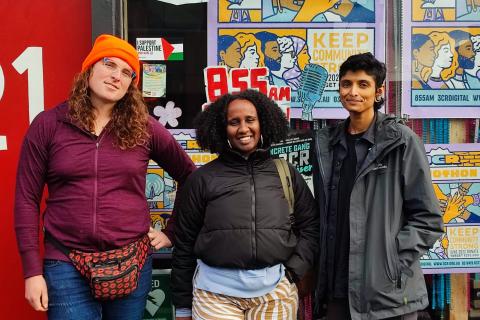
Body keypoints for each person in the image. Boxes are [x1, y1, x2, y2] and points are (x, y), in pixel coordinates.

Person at [14, 34, 196, 320]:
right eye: (109, 65)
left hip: (131, 262)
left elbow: (189, 175)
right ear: (89, 69)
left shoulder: (144, 128)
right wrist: (32, 271)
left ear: (131, 85)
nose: (116, 76)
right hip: (66, 263)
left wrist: (171, 232)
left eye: (126, 72)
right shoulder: (48, 125)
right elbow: (26, 199)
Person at [313, 52, 443, 319]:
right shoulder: (326, 144)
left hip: (387, 296)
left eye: (363, 84)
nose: (353, 92)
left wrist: (392, 263)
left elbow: (428, 219)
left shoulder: (401, 142)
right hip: (337, 293)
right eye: (347, 84)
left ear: (378, 91)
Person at [171, 89, 319, 319]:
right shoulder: (202, 179)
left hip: (275, 294)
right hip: (214, 296)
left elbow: (311, 225)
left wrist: (294, 271)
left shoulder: (285, 173)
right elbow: (184, 245)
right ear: (222, 129)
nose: (243, 129)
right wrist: (182, 307)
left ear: (263, 123)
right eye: (234, 122)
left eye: (250, 120)